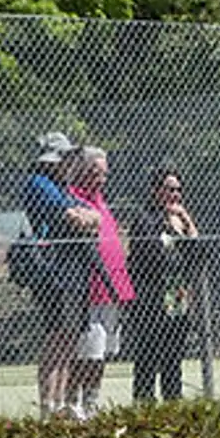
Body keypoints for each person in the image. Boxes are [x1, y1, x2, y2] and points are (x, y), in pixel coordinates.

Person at [19, 132, 97, 418]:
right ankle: (47, 405)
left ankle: (60, 402)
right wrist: (83, 217)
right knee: (57, 337)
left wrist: (86, 217)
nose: (70, 162)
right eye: (64, 157)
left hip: (71, 271)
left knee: (68, 339)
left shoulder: (60, 187)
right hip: (53, 271)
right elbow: (74, 217)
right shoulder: (39, 183)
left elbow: (93, 215)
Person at [67, 147, 133, 420]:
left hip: (112, 289)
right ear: (81, 171)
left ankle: (92, 403)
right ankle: (74, 403)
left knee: (104, 352)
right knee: (87, 353)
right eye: (96, 172)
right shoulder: (72, 198)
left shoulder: (101, 201)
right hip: (90, 290)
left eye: (104, 173)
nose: (102, 178)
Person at [127, 167, 201, 402]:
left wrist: (187, 224)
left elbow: (199, 255)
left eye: (179, 190)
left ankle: (173, 403)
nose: (176, 194)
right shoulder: (144, 218)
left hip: (176, 295)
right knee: (148, 356)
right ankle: (144, 404)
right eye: (170, 189)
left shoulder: (181, 220)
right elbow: (152, 255)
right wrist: (170, 227)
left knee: (173, 357)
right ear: (155, 190)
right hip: (151, 297)